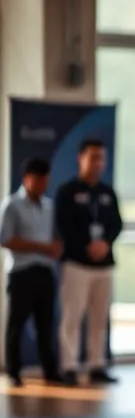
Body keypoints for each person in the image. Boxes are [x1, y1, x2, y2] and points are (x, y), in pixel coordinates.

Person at [54, 138, 121, 386]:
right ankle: (69, 365)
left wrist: (105, 243)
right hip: (77, 263)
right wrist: (86, 245)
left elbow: (116, 223)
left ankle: (97, 363)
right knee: (72, 315)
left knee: (100, 317)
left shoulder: (107, 192)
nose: (97, 163)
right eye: (93, 157)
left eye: (101, 158)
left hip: (103, 265)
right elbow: (64, 225)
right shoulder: (68, 191)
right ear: (80, 157)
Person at [1, 157, 62, 386]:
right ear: (27, 179)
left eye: (46, 180)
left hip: (45, 270)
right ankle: (14, 371)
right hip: (21, 271)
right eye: (38, 179)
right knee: (16, 323)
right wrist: (39, 247)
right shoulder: (11, 205)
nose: (43, 184)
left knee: (46, 323)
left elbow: (54, 237)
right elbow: (6, 239)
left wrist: (55, 247)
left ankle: (50, 369)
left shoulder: (49, 206)